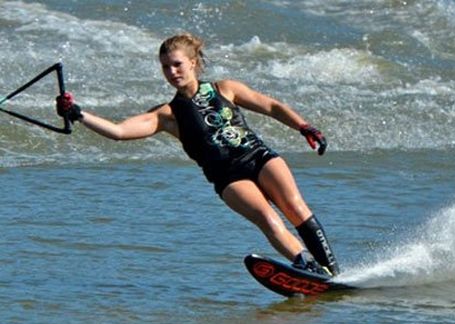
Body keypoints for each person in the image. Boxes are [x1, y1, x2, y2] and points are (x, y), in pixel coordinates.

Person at [56, 33, 339, 276]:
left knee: (294, 206)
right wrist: (78, 114)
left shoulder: (225, 88)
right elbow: (118, 131)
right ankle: (306, 266)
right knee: (266, 217)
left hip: (259, 157)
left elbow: (272, 106)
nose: (172, 72)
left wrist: (304, 127)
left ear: (192, 63)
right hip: (227, 177)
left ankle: (332, 271)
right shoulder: (167, 114)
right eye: (165, 67)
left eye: (177, 64)